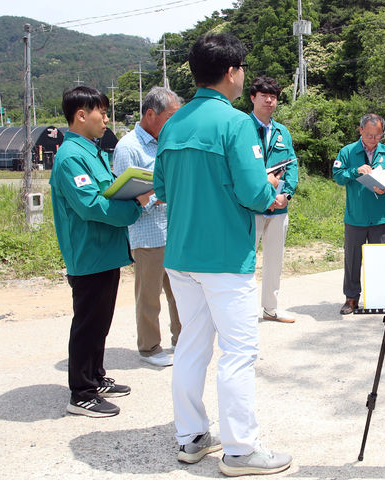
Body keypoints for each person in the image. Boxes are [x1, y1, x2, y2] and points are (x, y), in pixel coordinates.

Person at [153, 33, 292, 476]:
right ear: (232, 73)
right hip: (224, 259)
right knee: (238, 352)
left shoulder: (173, 123)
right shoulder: (235, 124)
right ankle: (240, 449)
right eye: (243, 69)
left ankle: (191, 437)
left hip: (180, 256)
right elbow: (253, 193)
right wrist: (268, 187)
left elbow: (159, 188)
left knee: (192, 345)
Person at [50, 86, 150, 417]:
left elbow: (106, 193)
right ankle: (81, 393)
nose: (106, 119)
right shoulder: (71, 157)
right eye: (102, 112)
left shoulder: (92, 151)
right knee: (88, 323)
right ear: (81, 115)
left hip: (105, 250)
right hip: (88, 253)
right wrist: (135, 207)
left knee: (101, 321)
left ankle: (95, 376)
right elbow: (92, 205)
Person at [113, 86, 182, 368]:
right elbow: (125, 196)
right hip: (147, 233)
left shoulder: (166, 140)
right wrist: (158, 195)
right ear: (151, 114)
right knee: (149, 294)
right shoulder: (128, 147)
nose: (173, 123)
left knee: (180, 291)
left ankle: (183, 338)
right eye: (170, 116)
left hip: (174, 229)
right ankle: (150, 347)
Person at [332, 113, 385, 315]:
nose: (373, 140)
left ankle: (379, 299)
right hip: (356, 217)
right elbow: (337, 176)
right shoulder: (347, 152)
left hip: (379, 217)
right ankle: (351, 298)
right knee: (352, 260)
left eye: (378, 136)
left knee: (379, 260)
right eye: (369, 135)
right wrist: (355, 171)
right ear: (361, 130)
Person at [249, 76, 299, 323]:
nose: (269, 100)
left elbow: (292, 166)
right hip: (251, 207)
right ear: (253, 97)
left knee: (274, 260)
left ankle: (271, 308)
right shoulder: (242, 128)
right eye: (264, 95)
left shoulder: (282, 132)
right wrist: (263, 193)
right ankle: (243, 312)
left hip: (278, 208)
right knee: (245, 261)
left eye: (274, 96)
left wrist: (285, 195)